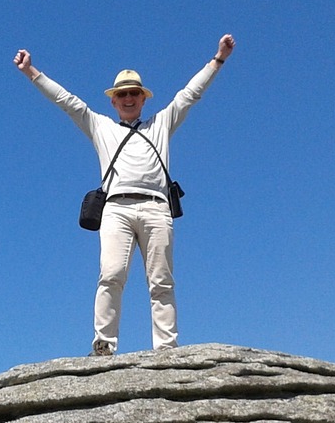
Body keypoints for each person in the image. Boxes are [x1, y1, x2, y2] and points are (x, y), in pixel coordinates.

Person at [13, 34, 235, 356]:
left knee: (161, 282)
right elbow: (67, 101)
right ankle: (103, 347)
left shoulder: (161, 124)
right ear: (113, 101)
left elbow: (190, 95)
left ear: (143, 99)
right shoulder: (101, 127)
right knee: (111, 274)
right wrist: (32, 72)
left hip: (157, 208)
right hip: (115, 210)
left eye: (134, 93)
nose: (128, 98)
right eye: (122, 94)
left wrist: (218, 60)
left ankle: (166, 350)